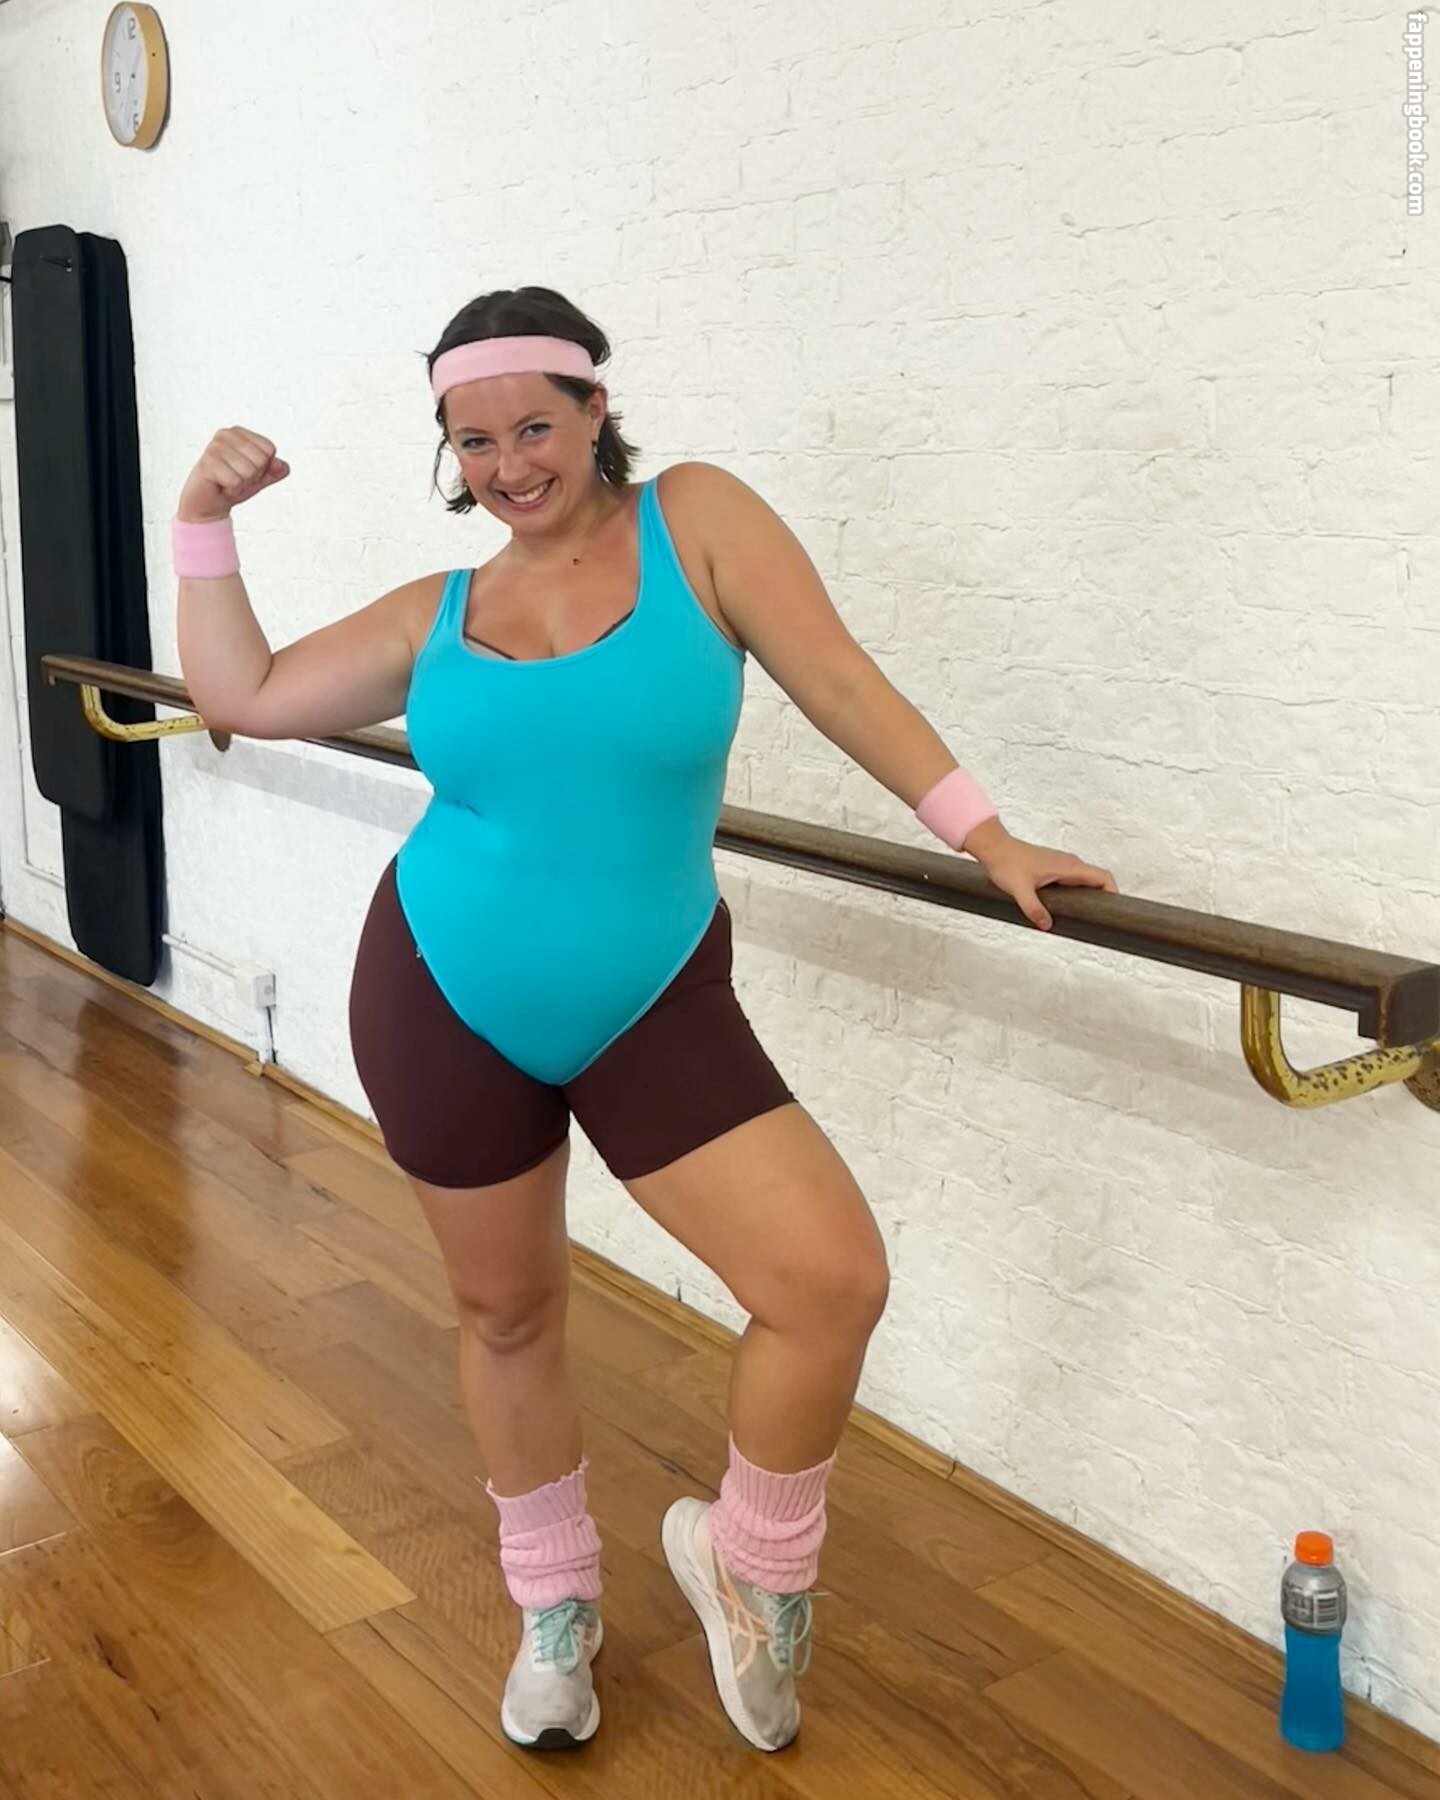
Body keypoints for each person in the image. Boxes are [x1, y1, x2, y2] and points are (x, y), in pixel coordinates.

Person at [174, 285, 1116, 1756]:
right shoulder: (437, 613)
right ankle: (554, 1611)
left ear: (595, 409)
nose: (508, 465)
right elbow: (241, 691)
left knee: (828, 1280)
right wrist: (201, 521)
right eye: (474, 441)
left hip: (650, 994)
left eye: (534, 428)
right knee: (508, 1314)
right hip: (440, 988)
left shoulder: (700, 523)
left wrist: (984, 834)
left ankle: (752, 1560)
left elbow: (839, 678)